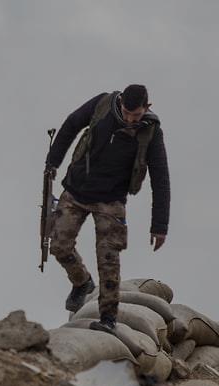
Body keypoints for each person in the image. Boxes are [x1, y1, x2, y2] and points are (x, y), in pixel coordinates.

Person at [44, 84, 171, 334]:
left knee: (109, 261)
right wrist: (53, 161)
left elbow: (161, 177)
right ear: (121, 102)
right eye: (126, 113)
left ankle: (108, 318)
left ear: (147, 108)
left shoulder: (151, 132)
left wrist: (160, 226)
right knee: (58, 245)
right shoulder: (102, 104)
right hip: (77, 190)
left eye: (136, 115)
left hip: (111, 202)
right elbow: (71, 124)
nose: (130, 119)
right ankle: (81, 282)